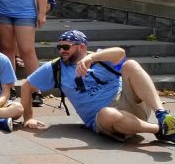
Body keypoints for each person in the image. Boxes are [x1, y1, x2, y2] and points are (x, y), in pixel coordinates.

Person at [21, 30, 175, 142]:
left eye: (66, 47)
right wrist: (28, 118)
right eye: (59, 47)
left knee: (131, 65)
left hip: (127, 101)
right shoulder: (55, 67)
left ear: (81, 47)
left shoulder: (100, 57)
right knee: (107, 113)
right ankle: (160, 130)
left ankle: (162, 115)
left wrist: (91, 58)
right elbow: (26, 86)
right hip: (103, 117)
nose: (61, 51)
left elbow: (120, 53)